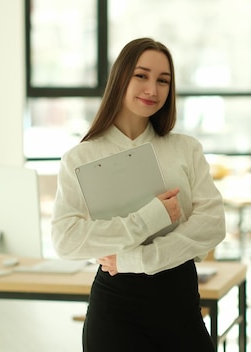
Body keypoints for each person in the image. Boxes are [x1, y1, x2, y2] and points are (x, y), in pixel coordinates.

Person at [51, 37, 226, 352]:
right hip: (116, 306)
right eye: (141, 76)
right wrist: (151, 217)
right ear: (121, 78)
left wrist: (137, 258)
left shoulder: (185, 148)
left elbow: (212, 225)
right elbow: (65, 239)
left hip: (179, 301)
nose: (152, 89)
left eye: (163, 81)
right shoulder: (80, 158)